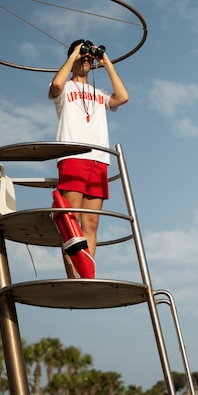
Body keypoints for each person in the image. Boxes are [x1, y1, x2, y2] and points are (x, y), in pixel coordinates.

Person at [48, 39, 129, 278]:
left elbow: (122, 97)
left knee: (91, 223)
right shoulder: (66, 90)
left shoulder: (99, 94)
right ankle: (73, 276)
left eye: (88, 57)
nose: (86, 59)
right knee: (70, 222)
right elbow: (55, 85)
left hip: (99, 160)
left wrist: (105, 62)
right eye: (83, 56)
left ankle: (87, 275)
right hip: (73, 158)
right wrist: (73, 56)